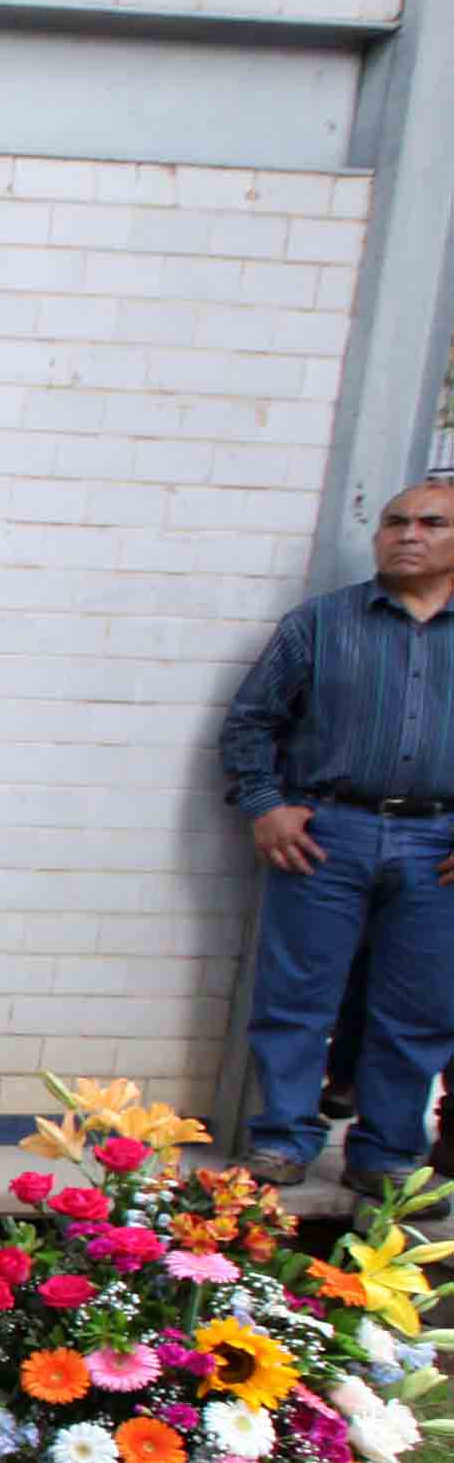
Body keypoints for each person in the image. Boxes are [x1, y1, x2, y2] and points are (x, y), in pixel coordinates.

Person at [219, 481, 454, 1185]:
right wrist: (265, 806)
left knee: (418, 1011)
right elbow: (251, 721)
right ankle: (283, 1141)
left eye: (429, 522)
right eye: (393, 522)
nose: (407, 535)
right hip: (327, 833)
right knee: (295, 997)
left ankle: (384, 1157)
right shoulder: (319, 624)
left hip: (436, 846)